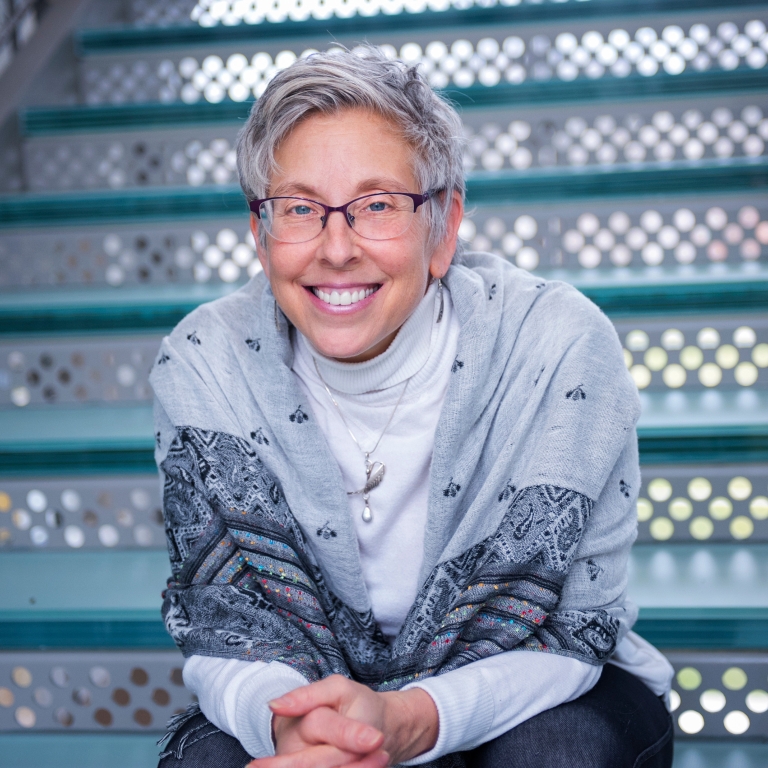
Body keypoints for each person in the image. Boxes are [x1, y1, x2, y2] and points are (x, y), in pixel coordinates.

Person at [150, 47, 674, 768]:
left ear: (445, 226)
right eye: (299, 209)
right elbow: (223, 623)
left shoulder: (557, 350)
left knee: (556, 753)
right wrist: (299, 730)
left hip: (536, 691)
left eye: (377, 206)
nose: (337, 248)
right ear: (260, 234)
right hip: (306, 688)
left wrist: (413, 720)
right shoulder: (205, 367)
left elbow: (572, 631)